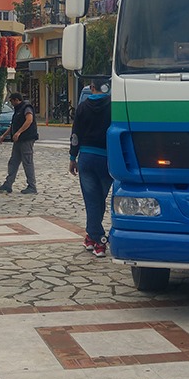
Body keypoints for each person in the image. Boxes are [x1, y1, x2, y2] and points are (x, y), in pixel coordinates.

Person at [70, 78, 112, 257]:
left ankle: (98, 240)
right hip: (107, 158)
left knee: (91, 200)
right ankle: (91, 238)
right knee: (99, 199)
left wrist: (72, 157)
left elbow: (75, 134)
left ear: (92, 87)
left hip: (86, 157)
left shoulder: (82, 107)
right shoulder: (113, 106)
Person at [0, 92, 39, 194]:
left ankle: (32, 186)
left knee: (27, 162)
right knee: (13, 161)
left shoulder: (26, 108)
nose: (11, 103)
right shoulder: (18, 110)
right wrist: (4, 136)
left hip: (26, 139)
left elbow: (29, 120)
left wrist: (19, 132)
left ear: (16, 100)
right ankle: (8, 184)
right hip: (18, 140)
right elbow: (13, 125)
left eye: (11, 101)